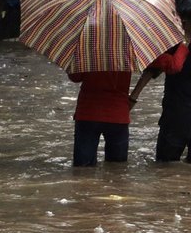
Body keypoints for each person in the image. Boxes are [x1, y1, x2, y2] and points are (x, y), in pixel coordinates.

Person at [130, 13, 191, 162]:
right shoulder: (176, 45)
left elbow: (152, 70)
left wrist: (133, 97)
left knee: (165, 165)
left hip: (175, 117)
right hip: (176, 115)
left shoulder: (176, 45)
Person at [66, 70, 132, 166]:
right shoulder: (125, 56)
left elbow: (75, 77)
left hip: (88, 112)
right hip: (118, 114)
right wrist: (134, 96)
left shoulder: (86, 55)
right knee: (117, 169)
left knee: (83, 168)